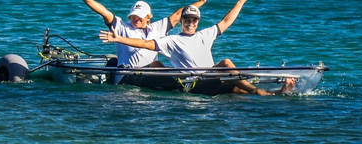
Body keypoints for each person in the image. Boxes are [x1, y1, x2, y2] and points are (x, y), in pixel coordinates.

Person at [99, 1, 295, 95]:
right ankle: (258, 92)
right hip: (195, 83)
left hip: (211, 79)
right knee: (227, 64)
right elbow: (145, 44)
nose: (190, 23)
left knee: (236, 89)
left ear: (198, 21)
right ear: (182, 21)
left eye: (194, 20)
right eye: (187, 20)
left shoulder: (205, 34)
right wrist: (120, 38)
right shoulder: (171, 40)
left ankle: (275, 93)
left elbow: (226, 21)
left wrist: (241, 1)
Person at [82, 0, 207, 83]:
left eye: (140, 16)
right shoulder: (121, 27)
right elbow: (103, 12)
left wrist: (201, 1)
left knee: (158, 65)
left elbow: (180, 13)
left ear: (148, 17)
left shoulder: (158, 28)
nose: (136, 19)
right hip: (127, 76)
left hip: (150, 76)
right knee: (157, 64)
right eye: (133, 16)